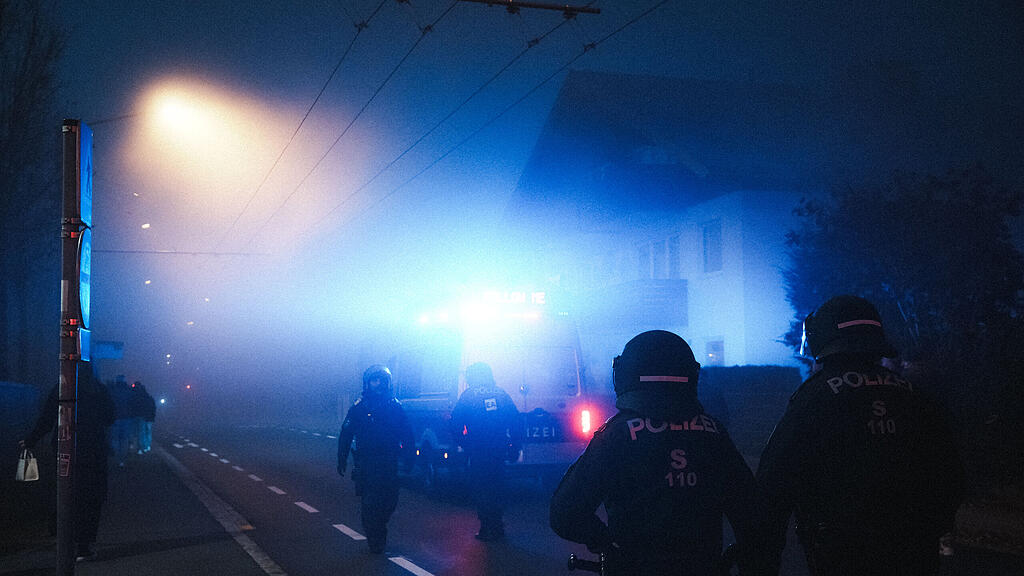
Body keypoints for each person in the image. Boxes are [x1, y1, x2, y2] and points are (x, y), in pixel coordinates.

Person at [757, 295, 964, 576]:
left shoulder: (814, 398)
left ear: (824, 342)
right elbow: (951, 471)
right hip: (915, 550)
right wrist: (933, 527)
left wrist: (761, 556)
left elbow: (775, 480)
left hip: (844, 553)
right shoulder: (913, 395)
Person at [550, 330, 768, 575]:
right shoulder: (713, 433)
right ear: (691, 375)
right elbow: (752, 514)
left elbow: (565, 513)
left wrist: (606, 544)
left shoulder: (615, 435)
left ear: (625, 375)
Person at [20, 361, 116, 562]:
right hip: (93, 451)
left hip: (66, 448)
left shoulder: (62, 387)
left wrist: (31, 440)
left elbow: (47, 418)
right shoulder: (98, 389)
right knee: (91, 498)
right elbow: (110, 417)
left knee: (65, 493)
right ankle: (84, 545)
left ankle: (62, 538)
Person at [337, 365, 415, 554]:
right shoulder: (359, 407)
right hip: (367, 462)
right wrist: (342, 458)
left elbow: (407, 434)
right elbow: (346, 433)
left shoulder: (395, 406)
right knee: (370, 503)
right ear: (367, 383)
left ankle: (379, 527)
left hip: (389, 461)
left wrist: (409, 458)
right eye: (374, 380)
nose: (378, 384)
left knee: (390, 501)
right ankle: (375, 537)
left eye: (382, 380)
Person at [450, 361, 522, 541]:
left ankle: (485, 526)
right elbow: (516, 421)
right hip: (498, 449)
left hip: (478, 450)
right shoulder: (501, 394)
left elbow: (455, 423)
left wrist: (465, 443)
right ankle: (497, 524)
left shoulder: (468, 396)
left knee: (481, 487)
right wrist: (515, 446)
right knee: (498, 486)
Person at [108, 376, 132, 467]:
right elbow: (131, 404)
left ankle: (116, 457)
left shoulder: (112, 392)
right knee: (124, 439)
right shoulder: (128, 392)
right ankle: (122, 459)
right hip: (126, 417)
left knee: (115, 439)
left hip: (115, 417)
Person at [129, 381, 156, 453]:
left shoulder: (132, 394)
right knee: (142, 433)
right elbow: (149, 406)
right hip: (142, 416)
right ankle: (142, 447)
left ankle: (133, 445)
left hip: (134, 416)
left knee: (135, 432)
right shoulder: (145, 395)